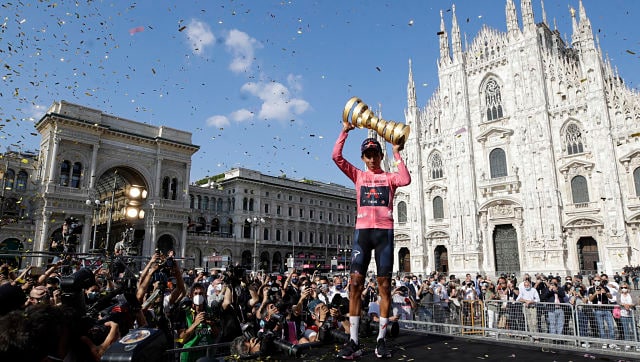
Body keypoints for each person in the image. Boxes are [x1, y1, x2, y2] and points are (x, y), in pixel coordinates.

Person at [332, 122, 411, 360]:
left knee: (384, 287)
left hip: (384, 234)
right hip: (363, 234)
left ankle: (381, 340)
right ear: (364, 157)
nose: (373, 158)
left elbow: (405, 179)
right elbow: (336, 156)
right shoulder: (358, 175)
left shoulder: (389, 178)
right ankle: (354, 340)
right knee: (355, 285)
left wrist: (397, 152)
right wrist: (345, 130)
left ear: (380, 155)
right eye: (368, 154)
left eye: (376, 153)